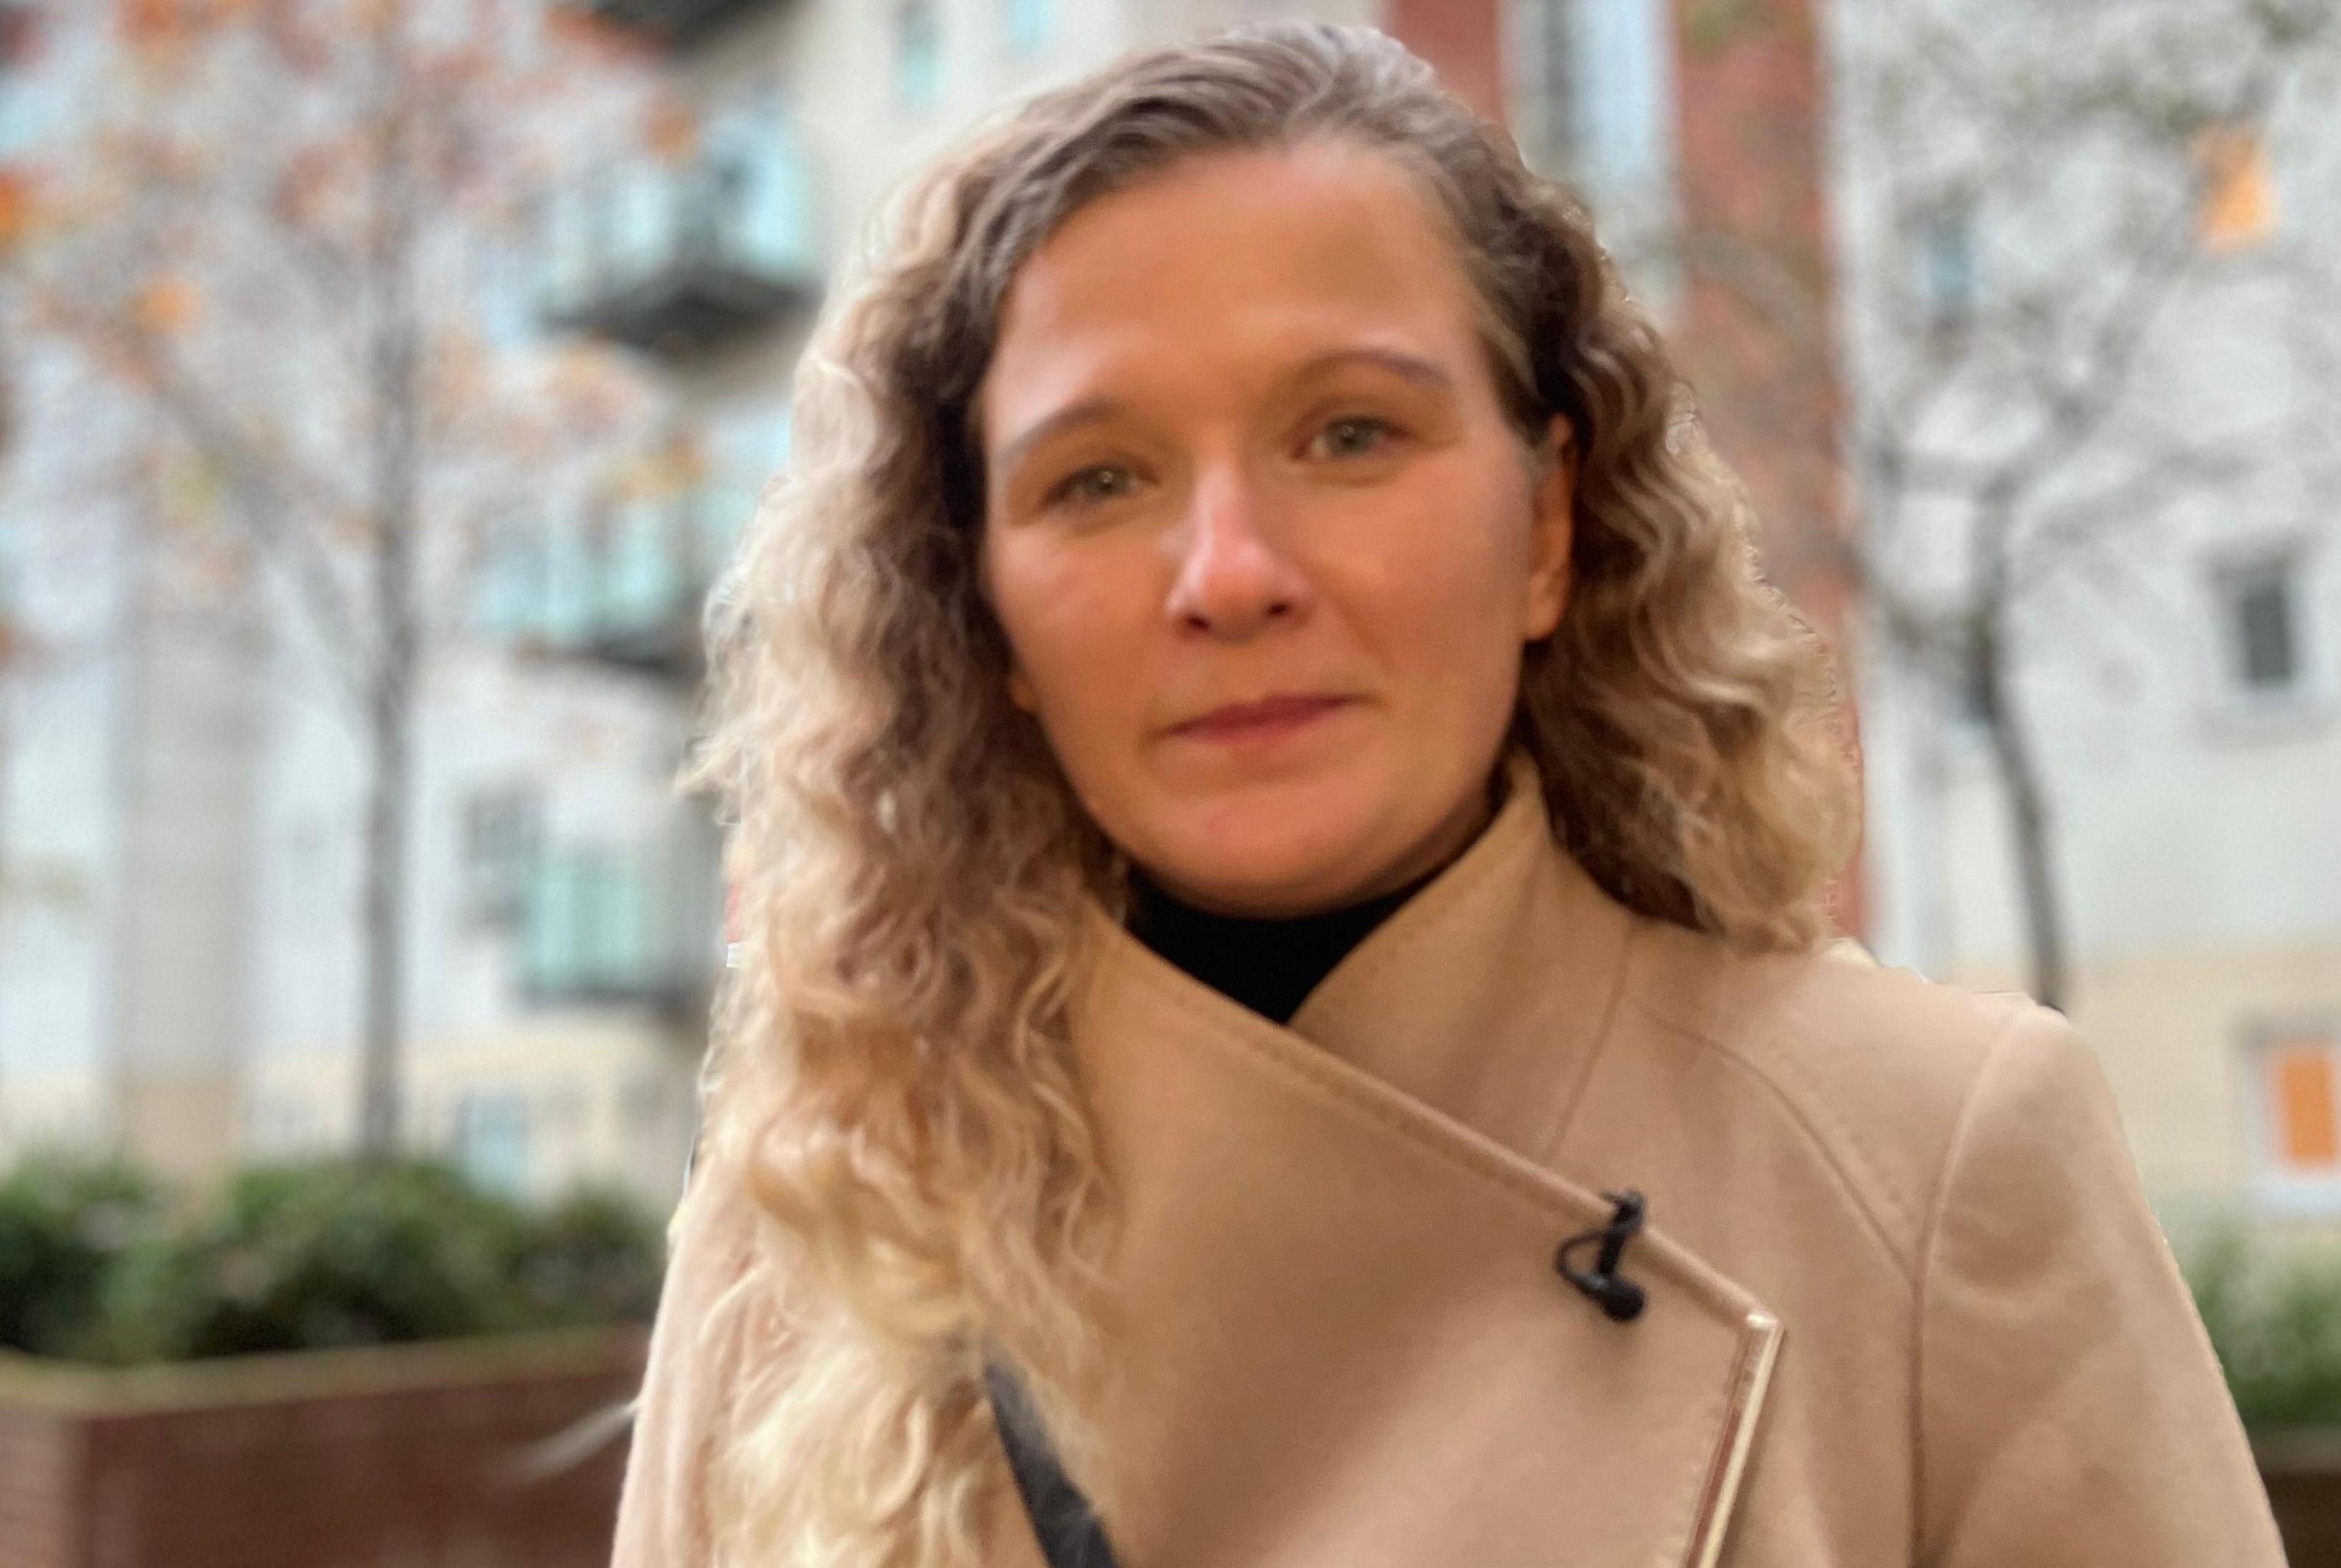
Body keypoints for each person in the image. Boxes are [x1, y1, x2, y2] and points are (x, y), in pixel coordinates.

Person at [610, 19, 2283, 1568]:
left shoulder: (1927, 1165)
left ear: (1548, 527)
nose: (1231, 574)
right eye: (1098, 478)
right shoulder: (814, 1227)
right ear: (986, 612)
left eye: (1350, 434)